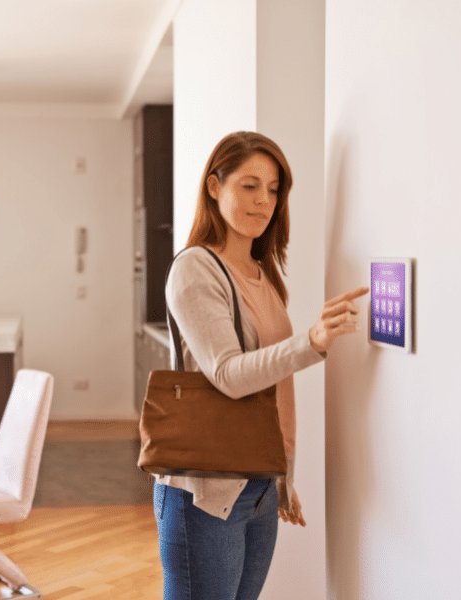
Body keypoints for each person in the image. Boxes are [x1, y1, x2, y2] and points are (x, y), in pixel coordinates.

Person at [154, 131, 368, 600]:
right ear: (215, 186)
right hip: (205, 495)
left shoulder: (261, 274)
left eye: (274, 189)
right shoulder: (196, 268)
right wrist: (311, 341)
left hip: (258, 488)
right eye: (249, 186)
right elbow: (229, 375)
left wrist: (282, 476)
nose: (263, 201)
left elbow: (276, 389)